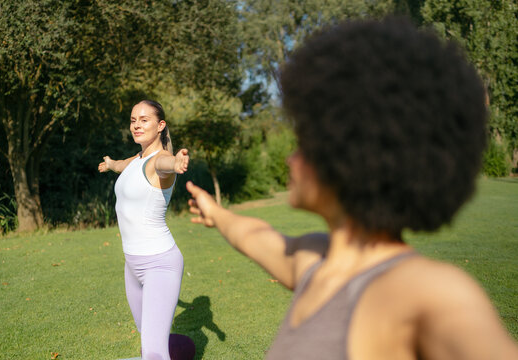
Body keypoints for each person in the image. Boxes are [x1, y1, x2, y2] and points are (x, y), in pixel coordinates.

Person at [185, 18, 518, 360]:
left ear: (353, 154)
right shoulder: (313, 261)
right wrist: (216, 213)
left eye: (306, 144)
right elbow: (254, 234)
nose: (290, 159)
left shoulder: (419, 290)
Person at [98, 100, 189, 360]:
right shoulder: (138, 159)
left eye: (144, 119)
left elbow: (165, 165)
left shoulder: (159, 160)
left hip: (159, 264)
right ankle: (183, 349)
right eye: (133, 120)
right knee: (147, 336)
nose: (136, 125)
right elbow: (123, 167)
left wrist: (177, 163)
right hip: (132, 266)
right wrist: (111, 163)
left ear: (160, 125)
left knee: (153, 353)